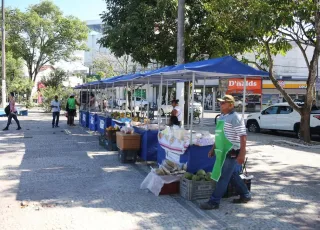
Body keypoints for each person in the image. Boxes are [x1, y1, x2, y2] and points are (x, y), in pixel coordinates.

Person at [200, 95, 251, 210]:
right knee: (232, 175)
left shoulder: (235, 118)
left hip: (231, 152)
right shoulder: (221, 117)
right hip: (221, 151)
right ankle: (245, 195)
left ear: (231, 105)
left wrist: (242, 153)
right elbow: (218, 136)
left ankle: (214, 201)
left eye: (223, 103)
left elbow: (243, 137)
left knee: (223, 177)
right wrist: (213, 149)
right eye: (220, 103)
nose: (220, 105)